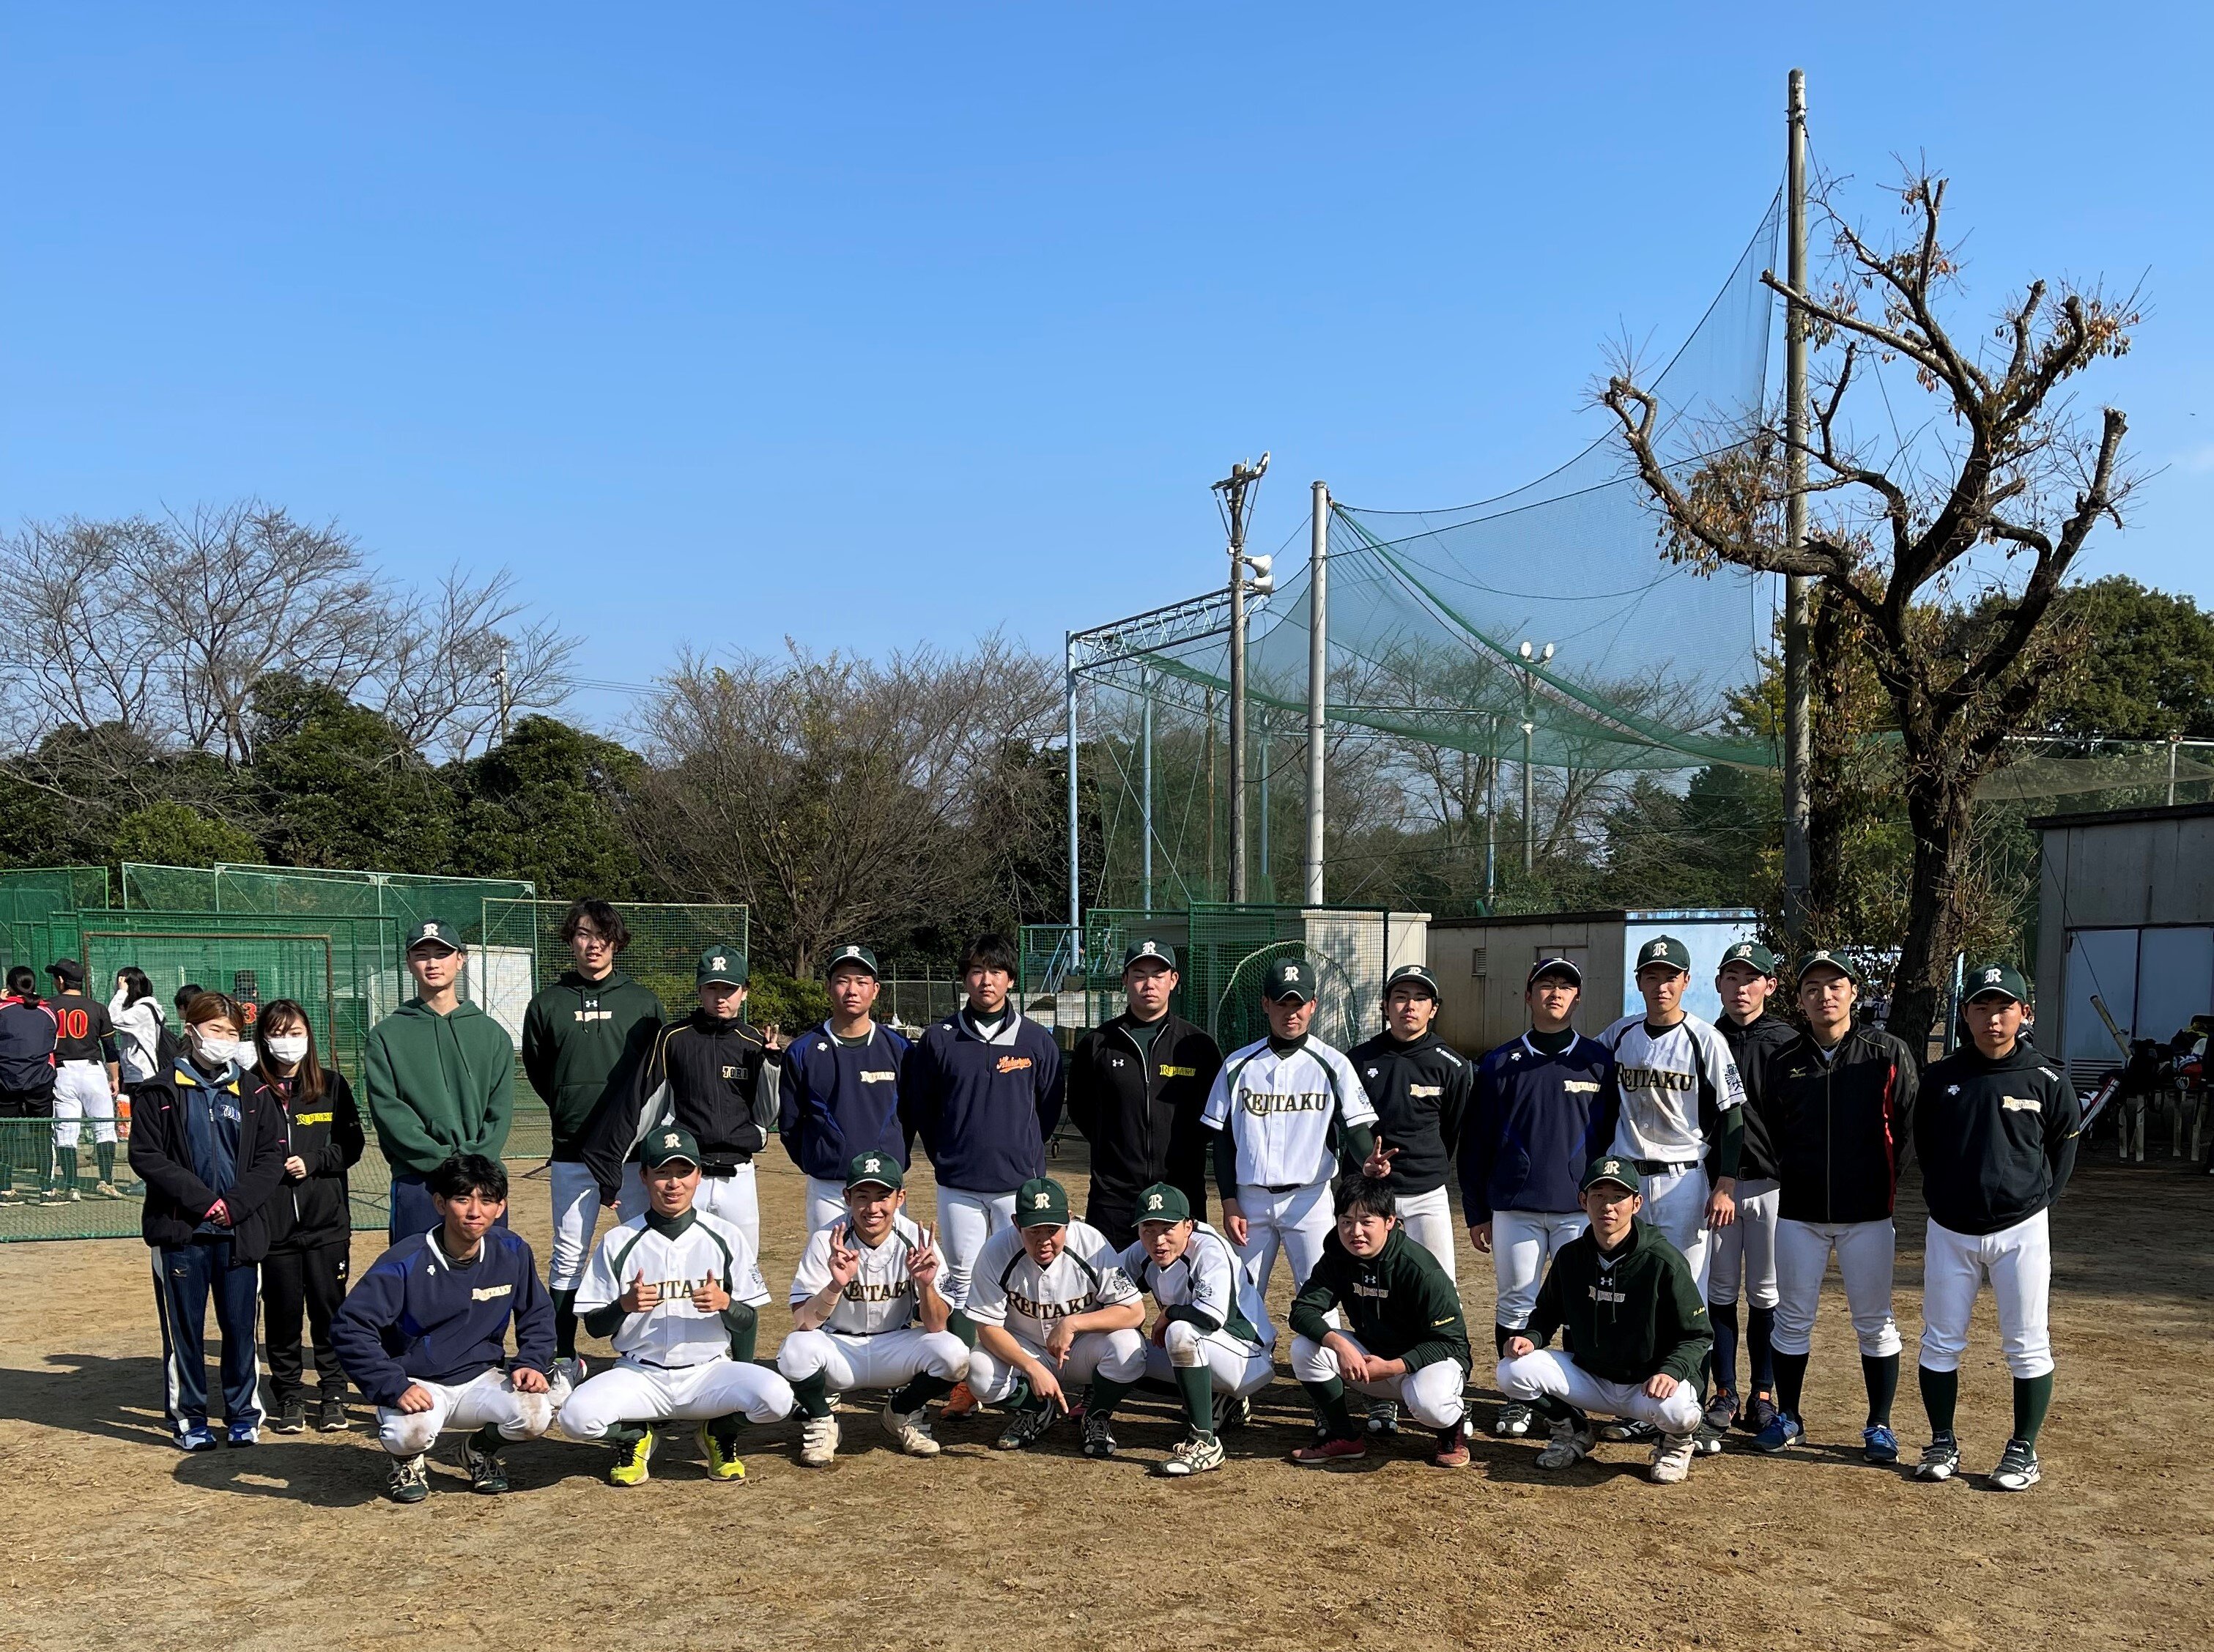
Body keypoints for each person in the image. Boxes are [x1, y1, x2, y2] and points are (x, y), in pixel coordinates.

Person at [1911, 962, 2079, 1492]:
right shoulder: (1941, 1077)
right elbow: (1926, 1145)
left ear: (2024, 1013)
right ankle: (1942, 1440)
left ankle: (2022, 1449)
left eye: (2004, 1006)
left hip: (2021, 1230)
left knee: (2027, 1343)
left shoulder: (2048, 1078)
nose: (1993, 1018)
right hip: (1951, 1230)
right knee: (1940, 1342)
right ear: (1965, 1014)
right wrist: (1948, 1197)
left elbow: (2064, 1146)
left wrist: (2036, 1202)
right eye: (1981, 1007)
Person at [1752, 951, 1918, 1461]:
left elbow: (1910, 1124)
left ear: (1853, 991)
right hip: (1800, 1213)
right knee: (1792, 1318)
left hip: (1867, 1213)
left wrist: (1882, 1179)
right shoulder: (1784, 1059)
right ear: (1799, 999)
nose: (1824, 995)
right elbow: (1768, 1127)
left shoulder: (1885, 1051)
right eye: (1813, 987)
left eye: (1834, 985)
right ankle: (1790, 1416)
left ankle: (1879, 1424)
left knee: (1874, 1320)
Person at [561, 1125, 793, 1487]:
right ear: (644, 1176)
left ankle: (718, 1431)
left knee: (777, 1398)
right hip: (640, 1375)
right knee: (575, 1419)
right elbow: (594, 1326)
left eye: (683, 1172)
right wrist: (624, 1305)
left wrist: (726, 1304)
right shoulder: (619, 1240)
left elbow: (748, 1320)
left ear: (699, 1176)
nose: (673, 1183)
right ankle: (635, 1437)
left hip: (708, 1375)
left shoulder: (725, 1236)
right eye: (663, 1172)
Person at [330, 1153, 560, 1503]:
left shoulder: (511, 1250)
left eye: (487, 1200)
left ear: (501, 1207)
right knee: (408, 1433)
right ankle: (406, 1461)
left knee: (535, 1413)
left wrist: (532, 1361)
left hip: (480, 1378)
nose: (474, 1211)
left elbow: (538, 1313)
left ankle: (477, 1452)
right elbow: (350, 1327)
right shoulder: (405, 1261)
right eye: (462, 1199)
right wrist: (392, 1385)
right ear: (440, 1203)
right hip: (419, 1383)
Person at [1596, 934, 1744, 1445]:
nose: (1661, 984)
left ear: (1686, 981)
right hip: (1629, 1178)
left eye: (1670, 975)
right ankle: (1645, 1405)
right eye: (1651, 975)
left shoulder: (1706, 1038)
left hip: (1685, 1177)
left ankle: (1694, 1409)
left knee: (1687, 1295)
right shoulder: (1618, 1033)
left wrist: (1725, 1183)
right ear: (1639, 981)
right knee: (1637, 1294)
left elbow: (1732, 1116)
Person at [1459, 957, 1615, 1439]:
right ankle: (1516, 1397)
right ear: (1528, 996)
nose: (1555, 992)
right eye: (1545, 984)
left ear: (1577, 997)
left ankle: (1566, 1404)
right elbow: (1475, 1143)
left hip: (1578, 1210)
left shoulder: (1597, 1060)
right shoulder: (1500, 1062)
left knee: (1575, 1308)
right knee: (1516, 1304)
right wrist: (1477, 1210)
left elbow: (1612, 1140)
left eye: (1565, 985)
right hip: (1515, 1206)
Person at [127, 991, 288, 1448]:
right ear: (192, 1030)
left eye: (233, 1033)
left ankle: (242, 1415)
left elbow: (269, 1160)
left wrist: (234, 1206)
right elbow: (147, 1156)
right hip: (182, 1233)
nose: (224, 1040)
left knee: (240, 1329)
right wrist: (202, 1201)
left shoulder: (257, 1094)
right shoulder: (159, 1090)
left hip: (240, 1233)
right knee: (185, 1334)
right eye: (215, 1030)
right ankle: (190, 1420)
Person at [1497, 1155, 1714, 1484]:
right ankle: (1572, 1431)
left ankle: (1675, 1444)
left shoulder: (1663, 1261)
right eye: (1598, 1196)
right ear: (1584, 1201)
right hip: (1591, 1377)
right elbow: (1546, 1313)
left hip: (1648, 1384)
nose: (1607, 1207)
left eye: (1618, 1197)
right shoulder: (1570, 1257)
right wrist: (1532, 1337)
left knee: (1680, 1411)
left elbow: (1699, 1334)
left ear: (1636, 1203)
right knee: (1512, 1370)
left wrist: (1672, 1370)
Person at [519, 898, 664, 1377]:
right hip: (573, 1153)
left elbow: (658, 1076)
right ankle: (563, 1353)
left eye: (602, 934)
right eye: (583, 933)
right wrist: (571, 1105)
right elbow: (542, 1073)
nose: (593, 943)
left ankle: (650, 1348)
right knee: (568, 1253)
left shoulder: (642, 1002)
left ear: (616, 941)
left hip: (633, 1155)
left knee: (646, 1245)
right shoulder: (547, 1003)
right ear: (571, 940)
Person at [898, 933, 1065, 1330]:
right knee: (964, 1280)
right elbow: (922, 1108)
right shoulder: (939, 1039)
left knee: (1018, 1278)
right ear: (964, 979)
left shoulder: (1036, 1040)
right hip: (960, 1184)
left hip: (1019, 1185)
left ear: (1010, 979)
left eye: (996, 971)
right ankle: (965, 1375)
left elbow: (1049, 1107)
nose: (986, 980)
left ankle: (1015, 1368)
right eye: (976, 971)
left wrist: (1020, 1150)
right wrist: (948, 1154)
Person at [1203, 956, 1381, 1311]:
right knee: (1240, 1297)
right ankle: (1247, 1364)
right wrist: (1228, 1201)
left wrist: (1369, 1162)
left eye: (1298, 1004)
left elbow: (1356, 1127)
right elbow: (1222, 1138)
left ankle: (1323, 1365)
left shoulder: (1333, 1064)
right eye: (1282, 1003)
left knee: (1320, 1297)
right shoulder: (1237, 1065)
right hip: (1249, 1199)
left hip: (1310, 1200)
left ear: (1313, 1006)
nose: (1291, 1013)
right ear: (1266, 1004)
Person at [581, 943, 777, 1264]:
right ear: (699, 990)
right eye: (712, 987)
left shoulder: (755, 1043)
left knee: (742, 1264)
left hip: (739, 1175)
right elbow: (638, 1103)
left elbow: (767, 1116)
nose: (721, 997)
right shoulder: (673, 1037)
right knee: (685, 1263)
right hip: (687, 1172)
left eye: (729, 988)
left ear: (744, 991)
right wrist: (610, 1164)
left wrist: (772, 1066)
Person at [777, 1149, 970, 1464]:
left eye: (883, 1196)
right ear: (847, 1197)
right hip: (839, 1347)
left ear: (900, 1197)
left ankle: (901, 1412)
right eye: (862, 1196)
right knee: (794, 1350)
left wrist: (925, 1285)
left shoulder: (918, 1240)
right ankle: (822, 1420)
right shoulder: (828, 1238)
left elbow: (937, 1325)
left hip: (895, 1344)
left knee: (955, 1354)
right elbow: (803, 1320)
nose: (873, 1208)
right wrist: (835, 1285)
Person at [1345, 961, 1471, 1434]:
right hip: (1377, 1202)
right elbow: (1351, 1128)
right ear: (1385, 1005)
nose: (1409, 1006)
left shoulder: (1454, 1065)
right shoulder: (1359, 1060)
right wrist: (1365, 1164)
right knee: (1375, 1296)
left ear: (1433, 1008)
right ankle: (1382, 1398)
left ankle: (1451, 1392)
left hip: (1428, 1196)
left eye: (1420, 998)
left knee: (1442, 1296)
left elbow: (1452, 1128)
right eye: (1400, 997)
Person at [1287, 1172, 1473, 1470]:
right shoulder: (1338, 1255)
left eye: (1366, 1221)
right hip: (1372, 1361)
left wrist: (1393, 1366)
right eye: (1346, 1221)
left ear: (1390, 1221)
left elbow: (1451, 1342)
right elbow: (1302, 1311)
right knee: (1304, 1348)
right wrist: (1339, 1345)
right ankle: (1343, 1436)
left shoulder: (1419, 1268)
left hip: (1424, 1365)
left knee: (1430, 1404)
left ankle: (1451, 1432)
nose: (1355, 1232)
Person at [961, 1176, 1147, 1456]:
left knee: (1130, 1349)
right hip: (1027, 1348)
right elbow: (987, 1327)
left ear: (1069, 1220)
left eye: (1053, 1229)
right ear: (1016, 1223)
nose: (1044, 1240)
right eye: (1034, 1230)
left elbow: (1134, 1311)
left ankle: (1095, 1415)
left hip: (1082, 1349)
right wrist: (1032, 1367)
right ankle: (1038, 1410)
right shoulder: (996, 1250)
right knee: (979, 1372)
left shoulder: (1090, 1242)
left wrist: (1073, 1323)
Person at [1065, 938, 1223, 1250]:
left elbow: (1214, 1115)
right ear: (1125, 980)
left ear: (1173, 981)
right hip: (1114, 1198)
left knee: (1179, 1291)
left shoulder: (1198, 1046)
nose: (1148, 984)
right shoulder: (1097, 1044)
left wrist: (1184, 1151)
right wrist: (1115, 1149)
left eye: (1158, 975)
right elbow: (1081, 1110)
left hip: (1181, 1193)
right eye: (1139, 974)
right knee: (1111, 1289)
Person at [363, 919, 514, 1242]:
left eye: (442, 954)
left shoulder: (492, 1035)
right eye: (422, 955)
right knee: (418, 1284)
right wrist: (441, 1162)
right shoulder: (386, 1036)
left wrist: (473, 1162)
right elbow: (389, 1113)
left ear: (460, 959)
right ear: (408, 963)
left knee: (487, 1283)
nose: (432, 963)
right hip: (419, 1180)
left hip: (481, 1180)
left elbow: (499, 1111)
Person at [253, 999, 365, 1434]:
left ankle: (333, 1394)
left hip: (326, 1226)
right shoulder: (251, 1089)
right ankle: (289, 1397)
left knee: (329, 1311)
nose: (288, 1041)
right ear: (263, 1038)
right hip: (274, 1227)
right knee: (281, 1316)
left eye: (296, 1031)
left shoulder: (332, 1086)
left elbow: (351, 1146)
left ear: (309, 1036)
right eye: (278, 1032)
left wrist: (316, 1160)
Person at [1117, 1182, 1273, 1478]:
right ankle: (1225, 1402)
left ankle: (1205, 1443)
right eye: (1148, 1229)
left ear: (1188, 1226)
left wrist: (1169, 1312)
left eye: (1167, 1229)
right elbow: (1106, 1282)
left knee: (1180, 1332)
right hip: (1213, 1351)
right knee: (1121, 1350)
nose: (1158, 1240)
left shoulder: (1209, 1247)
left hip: (1249, 1356)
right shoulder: (1144, 1248)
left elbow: (1211, 1317)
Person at [1709, 940, 1799, 1437]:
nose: (1741, 988)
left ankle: (1763, 1392)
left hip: (1770, 1185)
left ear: (1770, 984)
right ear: (1719, 982)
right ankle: (1724, 1389)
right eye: (1732, 977)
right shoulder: (1702, 1037)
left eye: (1751, 978)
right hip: (1716, 1187)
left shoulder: (1786, 1042)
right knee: (1720, 1291)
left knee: (1766, 1293)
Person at [778, 944, 913, 1231]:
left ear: (875, 990)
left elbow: (913, 1113)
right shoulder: (803, 1050)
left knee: (888, 1270)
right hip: (829, 1185)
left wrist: (893, 1152)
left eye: (862, 982)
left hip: (885, 1185)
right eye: (843, 981)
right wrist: (818, 1158)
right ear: (828, 987)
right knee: (830, 1266)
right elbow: (790, 1123)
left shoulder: (900, 1049)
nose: (852, 990)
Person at [42, 958, 122, 1201]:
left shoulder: (48, 1006)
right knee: (105, 1128)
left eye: (56, 977)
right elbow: (110, 1047)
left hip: (63, 1072)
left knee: (66, 1131)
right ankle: (106, 1182)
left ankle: (71, 1185)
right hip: (94, 1071)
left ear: (62, 980)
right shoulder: (98, 1007)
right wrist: (115, 1077)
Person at [0, 965, 58, 1205]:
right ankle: (46, 1190)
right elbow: (52, 1044)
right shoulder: (48, 1011)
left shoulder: (2, 1009)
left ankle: (4, 1190)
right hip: (40, 1082)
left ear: (10, 985)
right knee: (43, 1135)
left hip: (6, 1082)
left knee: (5, 1135)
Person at [108, 967, 166, 1114]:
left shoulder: (142, 1011)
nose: (116, 988)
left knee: (140, 1123)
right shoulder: (142, 1009)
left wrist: (121, 993)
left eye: (120, 984)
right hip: (137, 1076)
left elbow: (112, 1018)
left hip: (141, 1076)